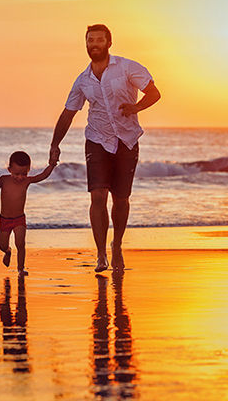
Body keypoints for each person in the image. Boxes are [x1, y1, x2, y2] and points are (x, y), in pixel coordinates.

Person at [49, 24, 161, 272]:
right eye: (90, 40)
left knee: (121, 200)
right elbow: (68, 113)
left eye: (100, 40)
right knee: (97, 196)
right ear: (86, 44)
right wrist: (55, 144)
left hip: (127, 140)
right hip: (97, 140)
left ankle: (117, 245)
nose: (95, 44)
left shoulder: (127, 67)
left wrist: (136, 108)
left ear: (109, 42)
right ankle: (101, 254)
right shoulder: (82, 80)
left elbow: (154, 93)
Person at [0, 151, 56, 276]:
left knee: (20, 244)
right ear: (9, 169)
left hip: (19, 219)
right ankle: (8, 252)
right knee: (2, 246)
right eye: (16, 173)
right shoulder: (3, 180)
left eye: (24, 174)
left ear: (29, 170)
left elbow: (42, 176)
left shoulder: (27, 181)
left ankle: (21, 268)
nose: (20, 177)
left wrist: (51, 165)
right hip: (4, 219)